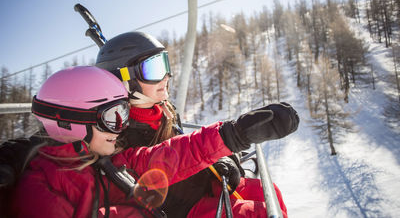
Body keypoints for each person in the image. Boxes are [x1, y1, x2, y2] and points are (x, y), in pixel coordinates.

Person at [10, 66, 298, 217]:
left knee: (265, 197)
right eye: (113, 117)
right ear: (70, 122)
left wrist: (232, 136)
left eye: (125, 112)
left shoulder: (110, 162)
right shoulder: (42, 191)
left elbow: (169, 155)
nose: (120, 127)